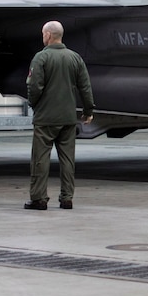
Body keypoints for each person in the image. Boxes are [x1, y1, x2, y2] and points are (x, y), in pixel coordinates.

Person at [25, 20, 93, 211]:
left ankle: (38, 198)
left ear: (48, 35)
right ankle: (67, 198)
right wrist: (88, 111)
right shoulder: (75, 58)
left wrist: (34, 104)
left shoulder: (41, 58)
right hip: (68, 118)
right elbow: (85, 87)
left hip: (45, 118)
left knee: (40, 159)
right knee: (67, 160)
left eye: (43, 34)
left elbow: (34, 86)